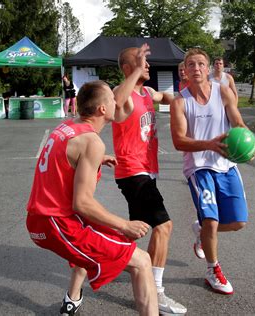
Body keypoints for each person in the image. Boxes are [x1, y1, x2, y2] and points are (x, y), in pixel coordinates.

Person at [26, 80, 158, 315]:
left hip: (43, 217)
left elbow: (66, 157)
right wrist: (125, 224)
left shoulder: (68, 126)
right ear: (103, 110)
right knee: (142, 261)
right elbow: (83, 203)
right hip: (56, 223)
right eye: (111, 98)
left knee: (97, 238)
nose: (117, 101)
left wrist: (97, 159)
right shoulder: (91, 142)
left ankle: (72, 298)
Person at [169, 48, 255, 295]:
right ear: (185, 71)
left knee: (238, 222)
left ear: (208, 69)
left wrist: (250, 141)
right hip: (199, 168)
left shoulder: (223, 92)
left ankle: (200, 231)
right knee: (211, 220)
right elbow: (178, 141)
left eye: (200, 64)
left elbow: (238, 122)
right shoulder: (179, 102)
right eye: (191, 65)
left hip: (227, 164)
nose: (196, 68)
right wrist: (209, 144)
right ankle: (213, 269)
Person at [112, 44, 187, 315]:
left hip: (146, 171)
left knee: (139, 227)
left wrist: (190, 89)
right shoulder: (125, 95)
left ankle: (94, 257)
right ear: (127, 68)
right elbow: (116, 101)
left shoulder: (146, 92)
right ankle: (156, 291)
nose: (148, 65)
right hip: (133, 172)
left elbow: (167, 97)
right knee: (163, 226)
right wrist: (132, 69)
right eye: (141, 61)